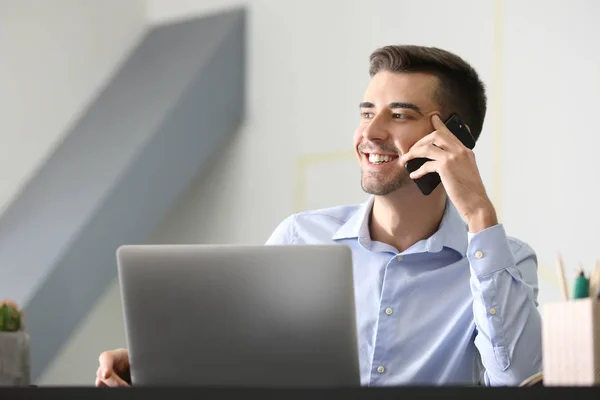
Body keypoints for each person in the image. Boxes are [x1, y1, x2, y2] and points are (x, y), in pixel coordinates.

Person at [95, 44, 542, 387]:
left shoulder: (504, 261)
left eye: (398, 114)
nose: (369, 133)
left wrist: (480, 213)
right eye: (366, 113)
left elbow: (519, 377)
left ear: (452, 138)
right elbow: (240, 356)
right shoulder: (300, 236)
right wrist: (150, 364)